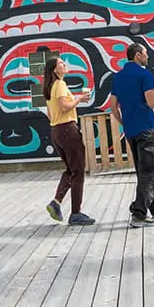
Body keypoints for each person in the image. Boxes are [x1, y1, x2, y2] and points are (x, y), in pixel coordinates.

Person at [110, 43, 154, 228]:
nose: (148, 56)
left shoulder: (118, 77)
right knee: (149, 170)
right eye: (146, 53)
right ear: (138, 55)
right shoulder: (144, 75)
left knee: (142, 170)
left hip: (130, 131)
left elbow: (113, 106)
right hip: (145, 129)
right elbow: (152, 102)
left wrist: (124, 123)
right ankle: (138, 214)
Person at [44, 57, 96, 226]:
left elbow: (50, 114)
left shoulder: (50, 88)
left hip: (56, 131)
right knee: (78, 171)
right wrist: (79, 99)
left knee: (71, 169)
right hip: (67, 130)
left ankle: (56, 202)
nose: (64, 65)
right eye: (61, 63)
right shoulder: (60, 85)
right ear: (54, 69)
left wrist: (74, 102)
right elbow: (65, 106)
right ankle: (75, 213)